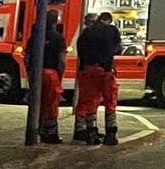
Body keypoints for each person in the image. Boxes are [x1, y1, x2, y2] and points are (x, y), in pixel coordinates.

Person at [74, 11, 122, 145]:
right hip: (105, 70)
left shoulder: (86, 33)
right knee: (110, 101)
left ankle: (91, 132)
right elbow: (119, 48)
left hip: (88, 70)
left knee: (90, 101)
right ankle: (110, 133)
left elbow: (80, 51)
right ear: (108, 20)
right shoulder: (111, 30)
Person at [38, 10, 67, 144]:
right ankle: (51, 133)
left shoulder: (36, 35)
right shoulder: (58, 37)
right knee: (51, 104)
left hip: (38, 73)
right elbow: (62, 60)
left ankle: (37, 129)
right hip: (51, 73)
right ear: (57, 21)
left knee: (39, 103)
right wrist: (60, 75)